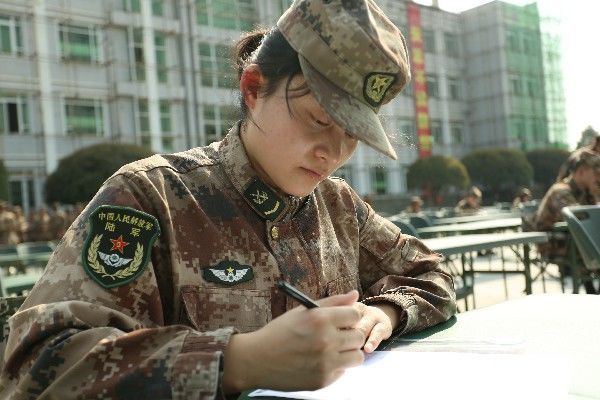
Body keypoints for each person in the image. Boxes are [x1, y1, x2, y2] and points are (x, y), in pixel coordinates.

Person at [0, 1, 456, 398]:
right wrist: (238, 361)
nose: (333, 153)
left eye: (352, 135)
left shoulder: (339, 206)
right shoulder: (151, 198)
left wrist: (385, 313)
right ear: (253, 88)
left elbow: (432, 274)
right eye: (319, 120)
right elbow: (37, 366)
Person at [533, 150, 600, 293]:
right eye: (595, 173)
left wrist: (595, 194)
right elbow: (582, 219)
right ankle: (592, 292)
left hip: (572, 241)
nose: (597, 177)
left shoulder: (585, 192)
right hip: (552, 243)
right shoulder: (561, 190)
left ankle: (593, 291)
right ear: (581, 172)